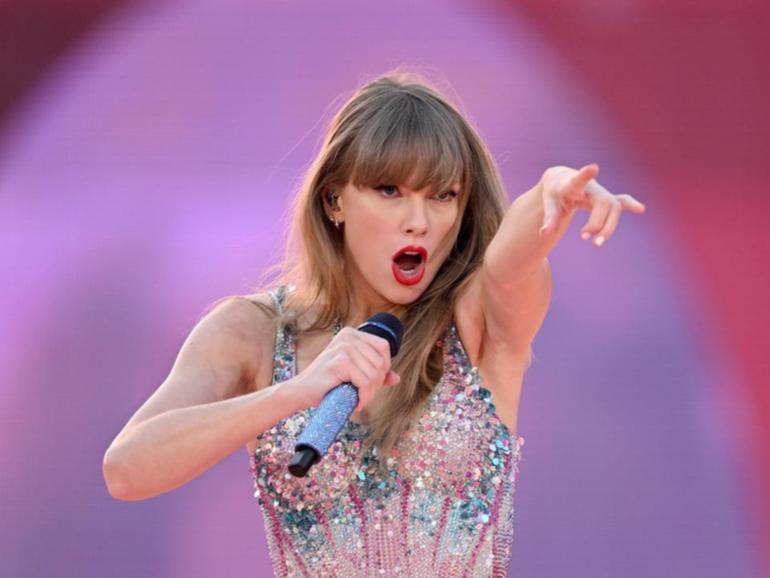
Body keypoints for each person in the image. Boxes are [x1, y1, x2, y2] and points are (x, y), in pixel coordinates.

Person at [102, 69, 646, 577]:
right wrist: (298, 392)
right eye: (390, 191)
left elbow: (511, 261)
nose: (418, 221)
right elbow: (127, 469)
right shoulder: (253, 332)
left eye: (443, 196)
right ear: (334, 198)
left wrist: (552, 193)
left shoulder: (476, 321)